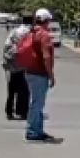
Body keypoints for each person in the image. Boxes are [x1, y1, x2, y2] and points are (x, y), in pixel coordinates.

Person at [21, 8, 56, 142]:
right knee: (37, 103)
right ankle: (32, 131)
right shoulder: (44, 35)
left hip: (30, 71)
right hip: (39, 73)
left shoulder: (32, 32)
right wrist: (51, 74)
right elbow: (46, 56)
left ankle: (38, 130)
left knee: (38, 103)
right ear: (47, 21)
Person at [2, 14, 32, 120]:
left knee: (11, 90)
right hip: (25, 66)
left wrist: (5, 62)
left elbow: (6, 46)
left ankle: (9, 112)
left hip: (12, 65)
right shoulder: (30, 33)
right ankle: (22, 111)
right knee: (24, 90)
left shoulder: (14, 32)